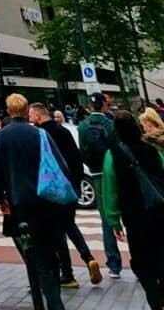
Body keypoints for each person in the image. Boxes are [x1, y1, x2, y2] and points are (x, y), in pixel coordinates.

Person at [0, 93, 67, 310]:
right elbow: (60, 165)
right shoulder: (40, 134)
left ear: (8, 111)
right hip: (46, 201)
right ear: (26, 111)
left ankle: (43, 300)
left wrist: (1, 199)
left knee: (32, 253)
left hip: (19, 203)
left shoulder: (1, 137)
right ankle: (55, 300)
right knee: (49, 253)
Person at [28, 102, 101, 289]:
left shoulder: (41, 135)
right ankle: (88, 258)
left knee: (58, 232)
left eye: (31, 115)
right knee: (69, 225)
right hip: (70, 188)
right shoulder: (64, 131)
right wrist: (75, 185)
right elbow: (76, 159)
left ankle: (68, 274)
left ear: (38, 116)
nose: (30, 119)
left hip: (53, 190)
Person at [103, 109, 164, 310]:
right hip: (158, 211)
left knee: (142, 260)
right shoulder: (153, 150)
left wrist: (114, 221)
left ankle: (155, 301)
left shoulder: (113, 155)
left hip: (134, 216)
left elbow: (110, 190)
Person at [78, 91, 122, 279]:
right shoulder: (110, 124)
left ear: (90, 106)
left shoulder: (82, 126)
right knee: (129, 216)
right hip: (115, 172)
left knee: (106, 219)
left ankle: (114, 264)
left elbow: (82, 151)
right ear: (104, 104)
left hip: (96, 173)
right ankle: (140, 261)